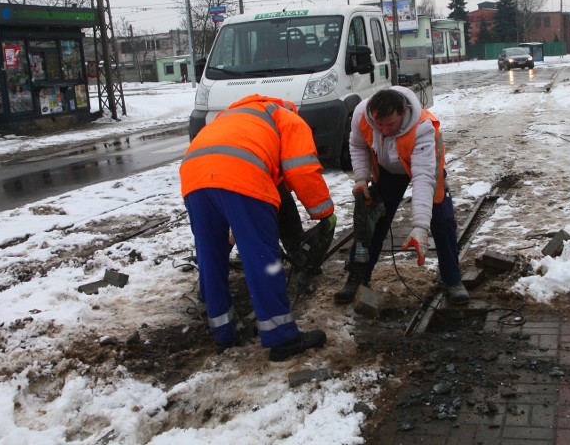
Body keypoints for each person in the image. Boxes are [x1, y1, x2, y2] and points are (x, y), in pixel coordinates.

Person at [180, 93, 335, 361]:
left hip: (193, 177)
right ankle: (282, 338)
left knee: (210, 255)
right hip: (243, 176)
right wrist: (323, 212)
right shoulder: (288, 118)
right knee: (263, 259)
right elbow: (301, 169)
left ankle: (224, 334)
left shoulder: (230, 116)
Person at [334, 86, 470, 305]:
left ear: (403, 113)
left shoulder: (423, 127)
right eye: (380, 125)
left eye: (391, 125)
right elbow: (357, 145)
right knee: (370, 219)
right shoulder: (361, 115)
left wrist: (419, 227)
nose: (385, 130)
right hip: (387, 170)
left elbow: (423, 178)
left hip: (424, 168)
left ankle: (452, 280)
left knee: (442, 221)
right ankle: (358, 276)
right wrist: (361, 178)